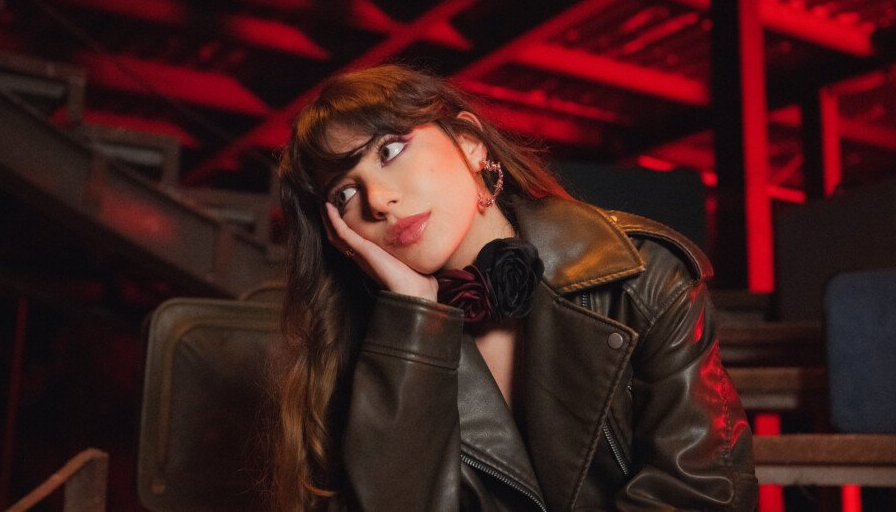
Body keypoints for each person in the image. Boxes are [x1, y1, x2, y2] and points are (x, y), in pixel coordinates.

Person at [274, 64, 756, 511]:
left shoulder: (639, 276)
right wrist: (413, 322)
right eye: (346, 193)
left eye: (390, 150)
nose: (378, 200)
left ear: (469, 143)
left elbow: (702, 492)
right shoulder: (356, 348)